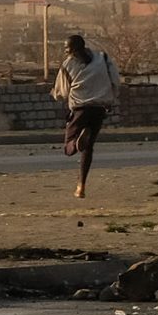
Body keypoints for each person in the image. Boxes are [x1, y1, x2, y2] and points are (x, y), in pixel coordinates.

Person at [50, 33, 122, 199]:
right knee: (88, 148)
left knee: (69, 147)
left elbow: (62, 92)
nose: (66, 52)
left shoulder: (68, 65)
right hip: (99, 108)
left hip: (80, 109)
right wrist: (111, 98)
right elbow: (116, 81)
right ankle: (81, 186)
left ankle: (76, 141)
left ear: (73, 50)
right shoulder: (102, 58)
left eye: (67, 49)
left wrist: (55, 94)